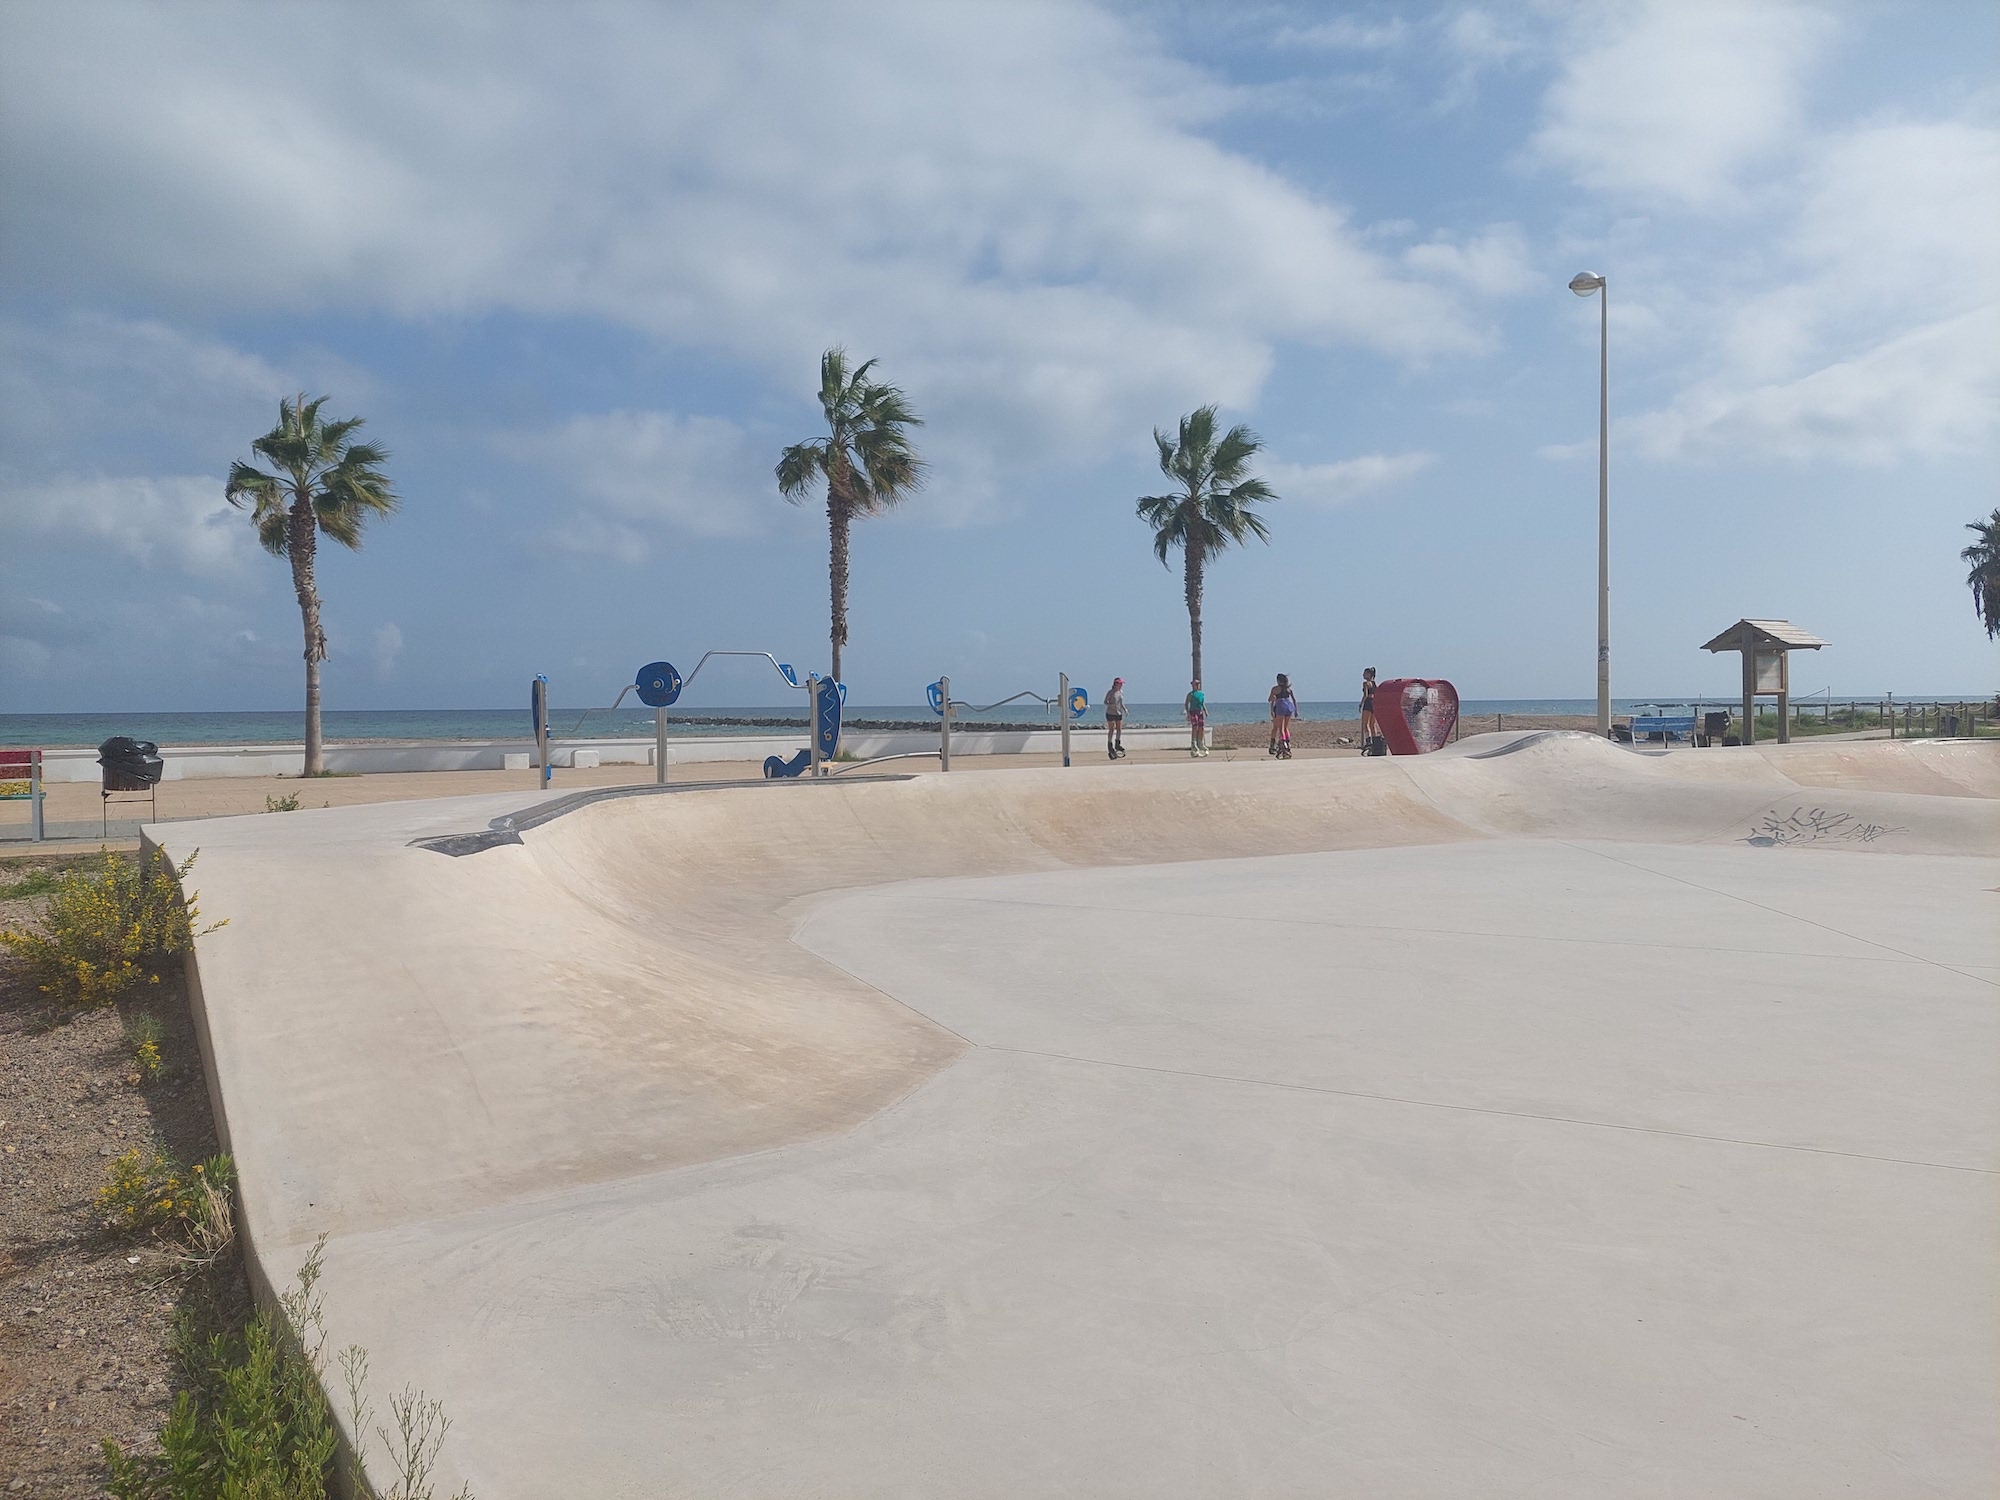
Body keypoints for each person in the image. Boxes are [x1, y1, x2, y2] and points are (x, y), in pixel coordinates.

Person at [1267, 673, 1298, 757]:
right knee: (1285, 728)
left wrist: (1273, 698)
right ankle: (1287, 744)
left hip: (1281, 706)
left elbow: (1269, 699)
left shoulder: (1275, 689)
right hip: (1289, 706)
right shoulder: (1289, 689)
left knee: (1280, 728)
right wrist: (1296, 710)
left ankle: (1283, 745)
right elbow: (1294, 700)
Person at [1104, 676, 1127, 760]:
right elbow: (1105, 702)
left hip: (1118, 713)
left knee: (1119, 729)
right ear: (1116, 684)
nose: (1121, 685)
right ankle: (1110, 744)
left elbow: (1121, 703)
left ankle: (1117, 743)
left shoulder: (1121, 692)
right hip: (1110, 712)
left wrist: (1125, 709)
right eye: (1120, 684)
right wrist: (1111, 705)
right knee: (1111, 729)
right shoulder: (1110, 692)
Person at [1184, 679, 1208, 757]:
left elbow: (1202, 703)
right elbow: (1186, 703)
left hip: (1199, 711)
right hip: (1193, 711)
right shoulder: (1190, 694)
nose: (1197, 685)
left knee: (1201, 727)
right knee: (1195, 727)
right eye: (1196, 684)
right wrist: (1188, 713)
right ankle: (1193, 743)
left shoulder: (1201, 694)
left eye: (1198, 684)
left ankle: (1200, 742)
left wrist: (1205, 710)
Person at [1360, 667, 1380, 745]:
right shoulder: (1375, 684)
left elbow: (1365, 695)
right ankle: (1375, 741)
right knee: (1373, 725)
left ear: (1368, 674)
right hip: (1374, 703)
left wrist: (1361, 704)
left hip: (1368, 702)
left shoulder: (1366, 683)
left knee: (1365, 724)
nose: (1363, 675)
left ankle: (1368, 741)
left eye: (1365, 674)